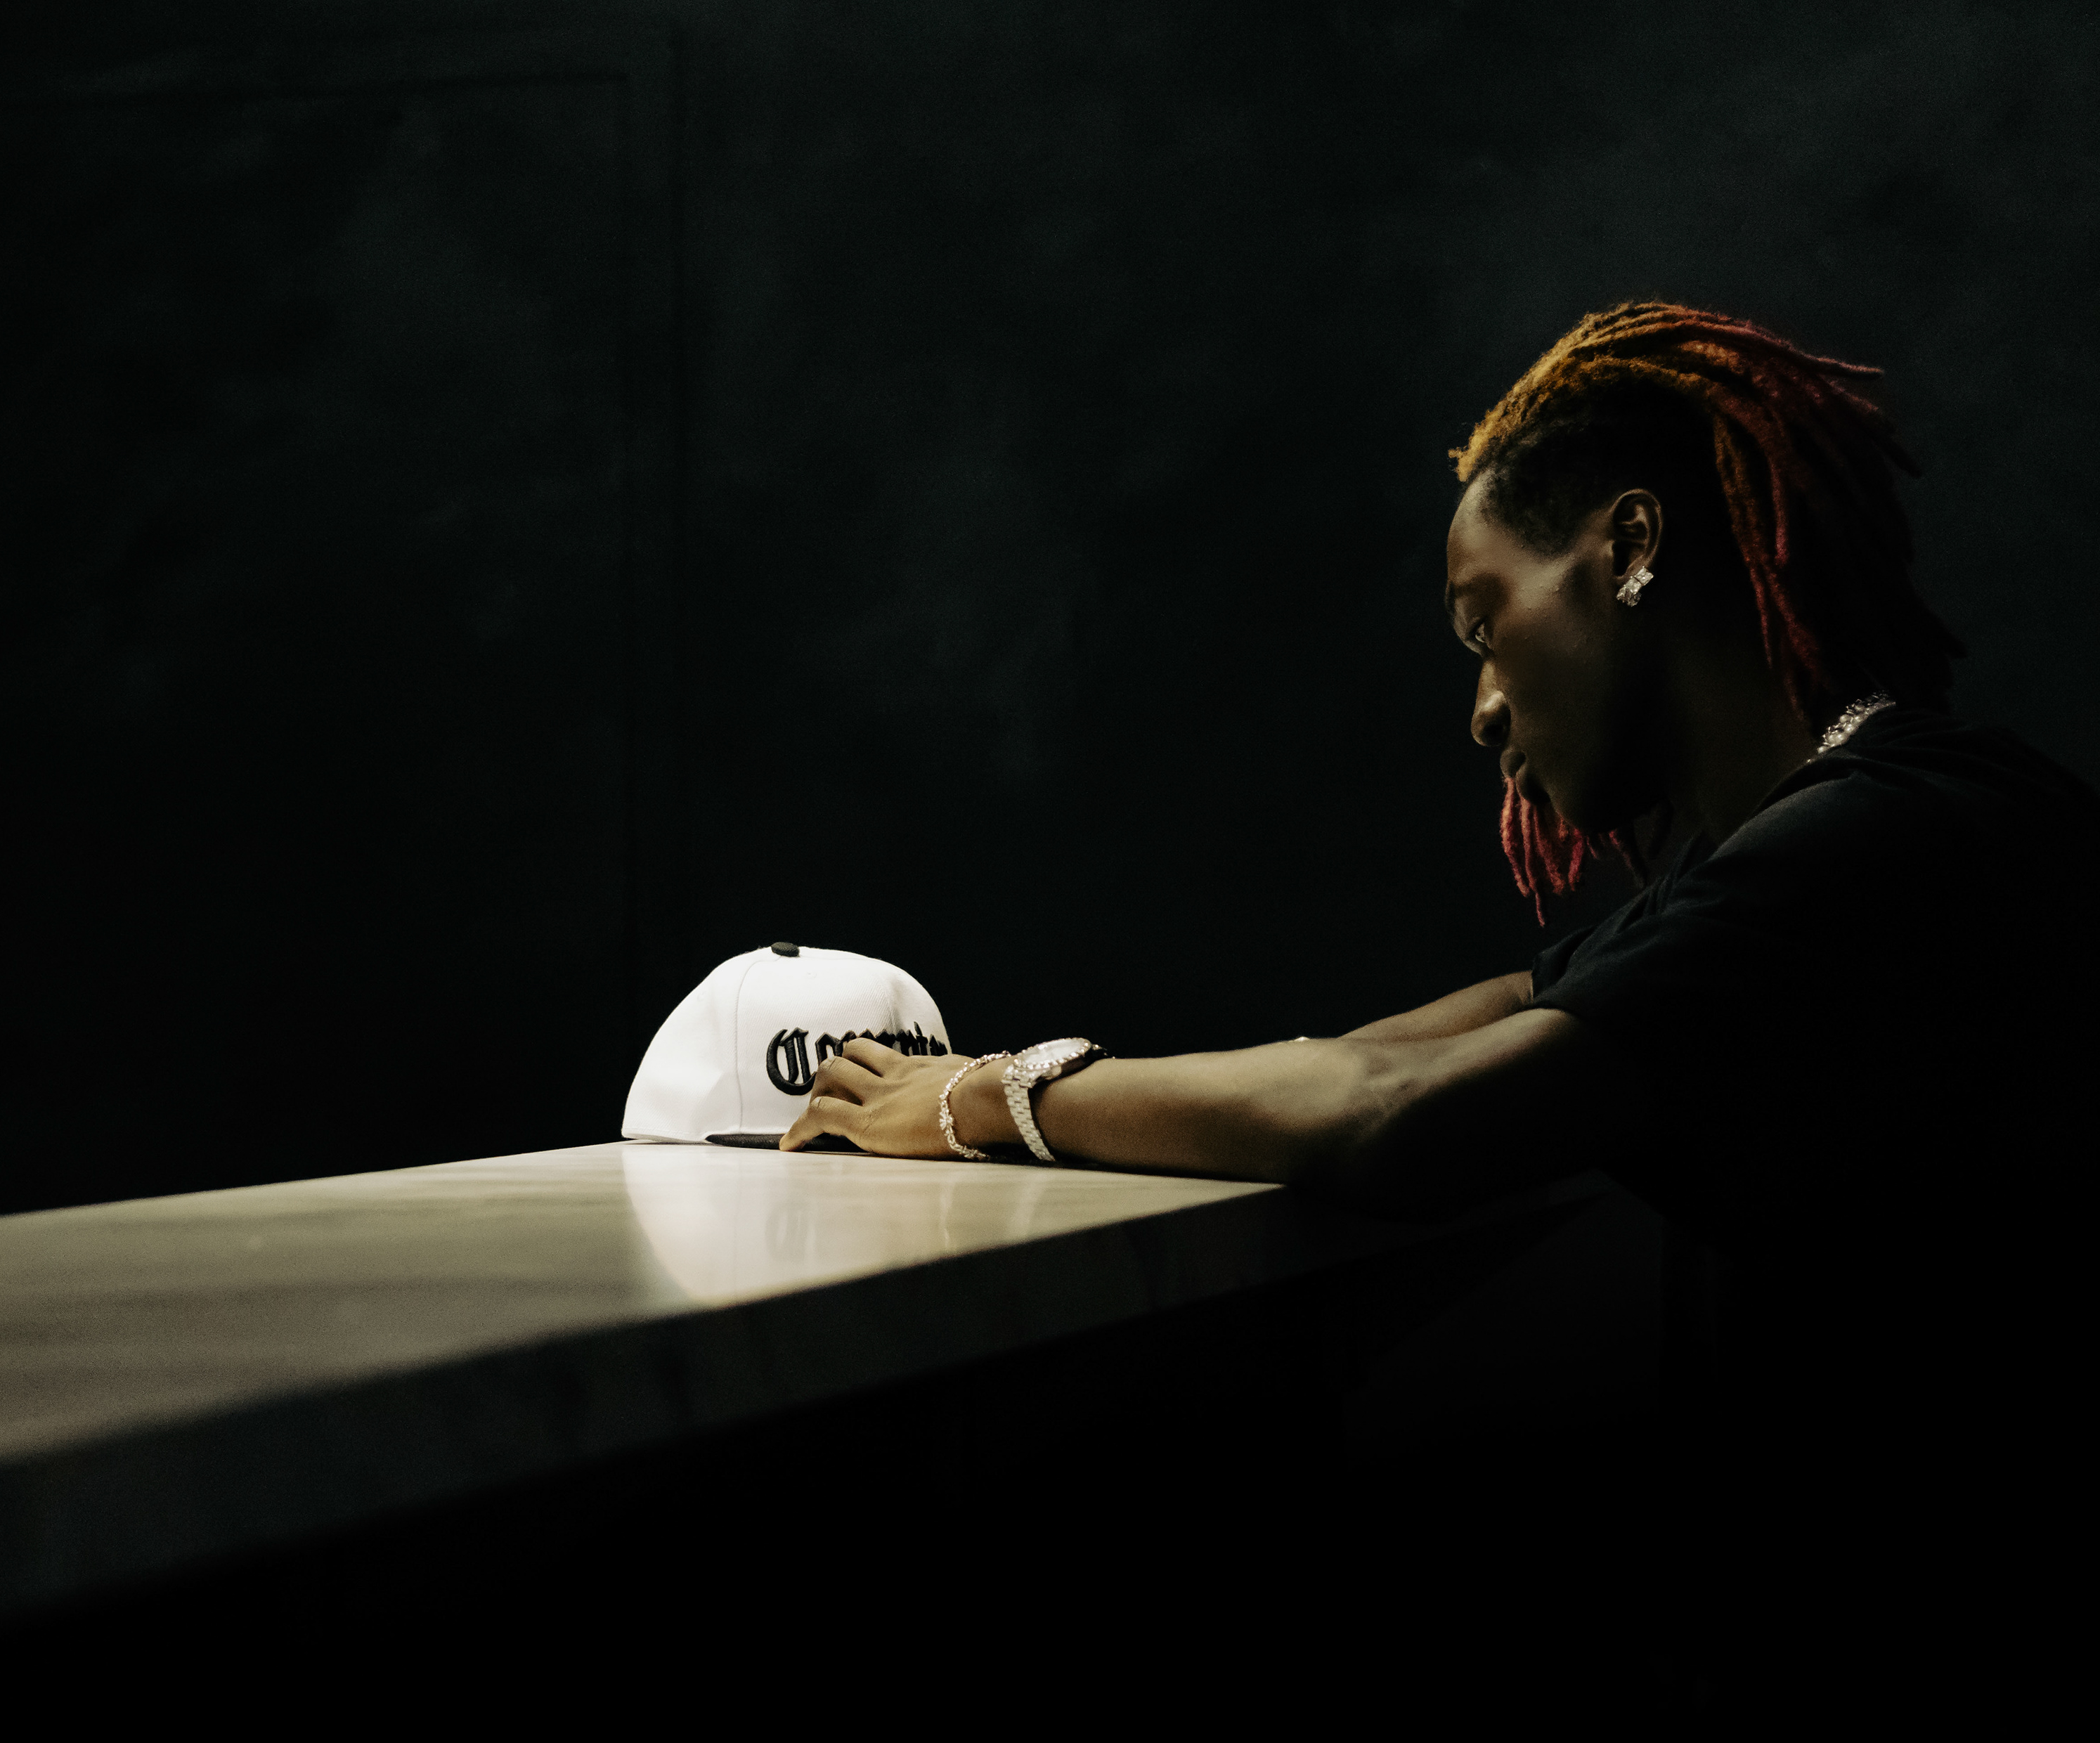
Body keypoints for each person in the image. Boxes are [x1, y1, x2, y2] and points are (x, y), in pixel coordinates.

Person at [784, 304, 2091, 1710]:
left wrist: (989, 1096)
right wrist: (1087, 1094)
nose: (1482, 708)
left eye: (1487, 624)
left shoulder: (1890, 846)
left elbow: (1402, 1115)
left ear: (1630, 547)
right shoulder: (1813, 847)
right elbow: (1451, 1027)